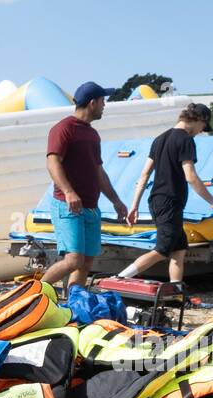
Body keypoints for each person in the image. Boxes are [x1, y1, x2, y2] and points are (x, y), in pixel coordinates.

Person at [118, 103, 213, 283]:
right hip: (170, 202)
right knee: (162, 249)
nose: (200, 132)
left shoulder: (159, 139)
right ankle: (118, 278)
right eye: (202, 127)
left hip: (157, 200)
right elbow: (190, 176)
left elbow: (144, 175)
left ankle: (176, 291)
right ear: (198, 120)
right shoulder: (185, 140)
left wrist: (134, 206)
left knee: (179, 250)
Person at [40, 82, 128, 295]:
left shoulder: (92, 134)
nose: (104, 105)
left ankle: (74, 303)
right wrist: (69, 192)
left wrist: (116, 200)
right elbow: (53, 162)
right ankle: (32, 295)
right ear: (92, 103)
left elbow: (98, 171)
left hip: (91, 207)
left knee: (86, 263)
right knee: (73, 260)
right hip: (67, 205)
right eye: (102, 101)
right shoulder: (63, 129)